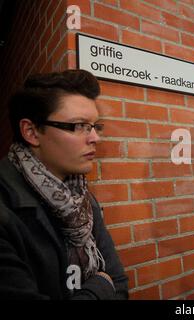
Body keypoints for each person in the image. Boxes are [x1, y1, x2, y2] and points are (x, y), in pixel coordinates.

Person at [0, 70, 128, 299]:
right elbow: (109, 283)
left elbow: (118, 282)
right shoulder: (6, 208)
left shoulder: (82, 199)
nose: (95, 138)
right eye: (79, 125)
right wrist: (100, 287)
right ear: (31, 132)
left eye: (94, 126)